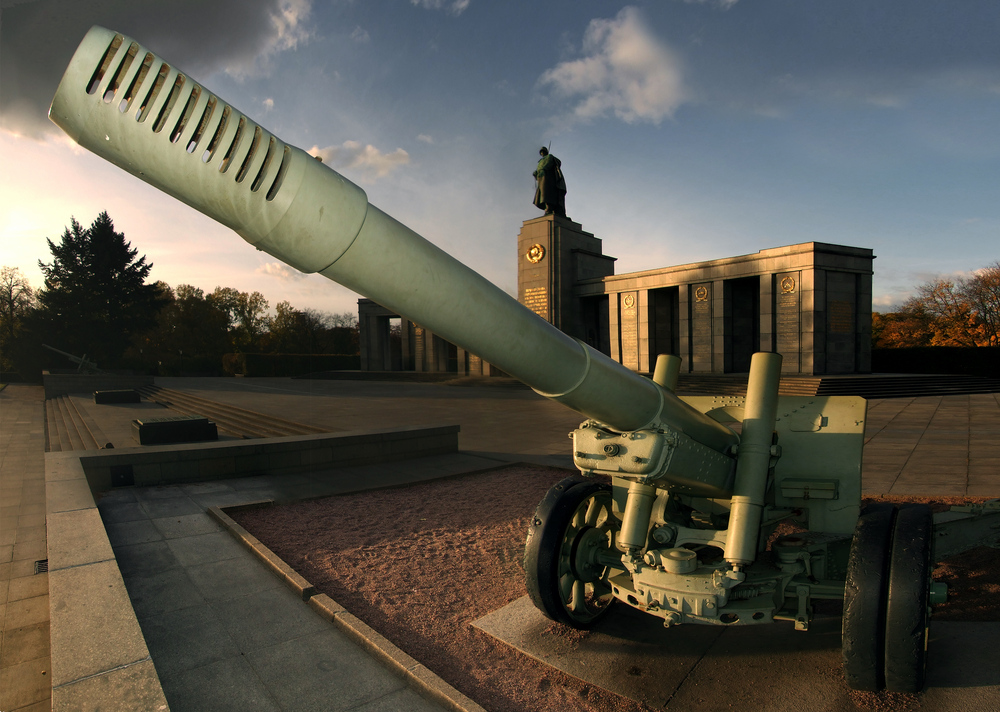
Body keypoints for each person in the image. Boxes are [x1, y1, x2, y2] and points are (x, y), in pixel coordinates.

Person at [532, 147, 567, 217]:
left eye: (543, 151)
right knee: (542, 194)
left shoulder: (549, 157)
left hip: (548, 177)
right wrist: (536, 172)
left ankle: (549, 208)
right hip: (541, 178)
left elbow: (549, 164)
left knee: (546, 194)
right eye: (541, 152)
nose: (542, 153)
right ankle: (548, 208)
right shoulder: (540, 161)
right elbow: (539, 168)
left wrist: (543, 169)